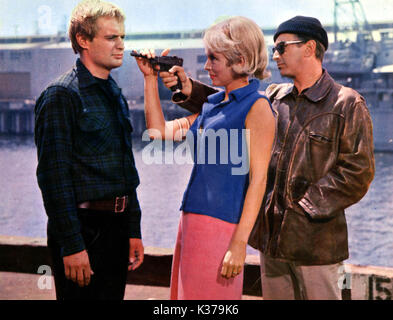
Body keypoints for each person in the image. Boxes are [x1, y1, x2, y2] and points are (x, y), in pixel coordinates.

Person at [161, 16, 375, 300]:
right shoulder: (274, 98)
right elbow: (229, 103)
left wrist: (303, 207)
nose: (274, 55)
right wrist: (187, 87)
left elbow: (357, 172)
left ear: (310, 48)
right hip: (271, 244)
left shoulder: (346, 103)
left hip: (316, 247)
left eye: (282, 47)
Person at [134, 16, 275, 299]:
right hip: (190, 221)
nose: (207, 66)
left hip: (221, 228)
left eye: (214, 58)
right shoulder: (211, 106)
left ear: (241, 59)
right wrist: (150, 80)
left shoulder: (257, 107)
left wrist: (238, 244)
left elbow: (259, 182)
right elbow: (158, 131)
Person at [34, 0, 144, 300]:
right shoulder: (61, 95)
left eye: (122, 36)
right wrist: (71, 244)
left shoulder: (114, 93)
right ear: (83, 40)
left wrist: (133, 228)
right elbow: (53, 179)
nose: (121, 45)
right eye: (111, 38)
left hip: (117, 229)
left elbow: (125, 169)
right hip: (84, 231)